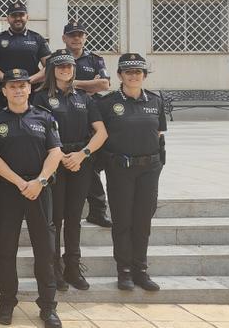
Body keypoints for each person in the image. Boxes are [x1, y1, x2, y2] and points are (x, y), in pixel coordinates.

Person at [0, 68, 63, 328]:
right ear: (4, 90)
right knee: (6, 249)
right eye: (12, 86)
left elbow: (55, 152)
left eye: (22, 86)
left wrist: (38, 181)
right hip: (10, 191)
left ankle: (48, 306)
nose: (18, 90)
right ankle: (7, 302)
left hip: (40, 190)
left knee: (45, 250)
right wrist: (20, 182)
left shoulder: (44, 117)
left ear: (30, 89)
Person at [31, 49, 108, 292]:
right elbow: (37, 131)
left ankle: (73, 267)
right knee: (55, 219)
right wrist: (58, 155)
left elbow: (101, 132)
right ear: (52, 70)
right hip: (54, 162)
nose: (66, 70)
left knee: (74, 217)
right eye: (60, 66)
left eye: (69, 66)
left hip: (79, 162)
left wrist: (82, 154)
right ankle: (54, 269)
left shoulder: (84, 98)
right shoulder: (40, 97)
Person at [96, 53, 167, 292]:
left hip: (149, 170)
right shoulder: (106, 104)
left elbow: (159, 135)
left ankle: (141, 270)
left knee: (142, 221)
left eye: (138, 71)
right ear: (119, 75)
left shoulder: (155, 101)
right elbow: (99, 137)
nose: (133, 75)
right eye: (128, 72)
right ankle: (124, 271)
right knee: (123, 222)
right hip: (120, 171)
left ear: (144, 75)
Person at [63, 20, 112, 228]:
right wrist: (88, 85)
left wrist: (74, 84)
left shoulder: (95, 59)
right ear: (64, 38)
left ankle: (98, 211)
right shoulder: (58, 58)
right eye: (72, 35)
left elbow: (104, 84)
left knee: (91, 165)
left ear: (85, 37)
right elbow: (50, 82)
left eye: (80, 34)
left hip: (91, 116)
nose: (76, 38)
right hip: (65, 115)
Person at [0, 2, 52, 107]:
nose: (18, 18)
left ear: (27, 17)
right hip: (4, 92)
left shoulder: (37, 38)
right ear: (7, 18)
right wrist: (7, 79)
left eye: (21, 15)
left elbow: (50, 65)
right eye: (14, 15)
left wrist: (30, 80)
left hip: (32, 92)